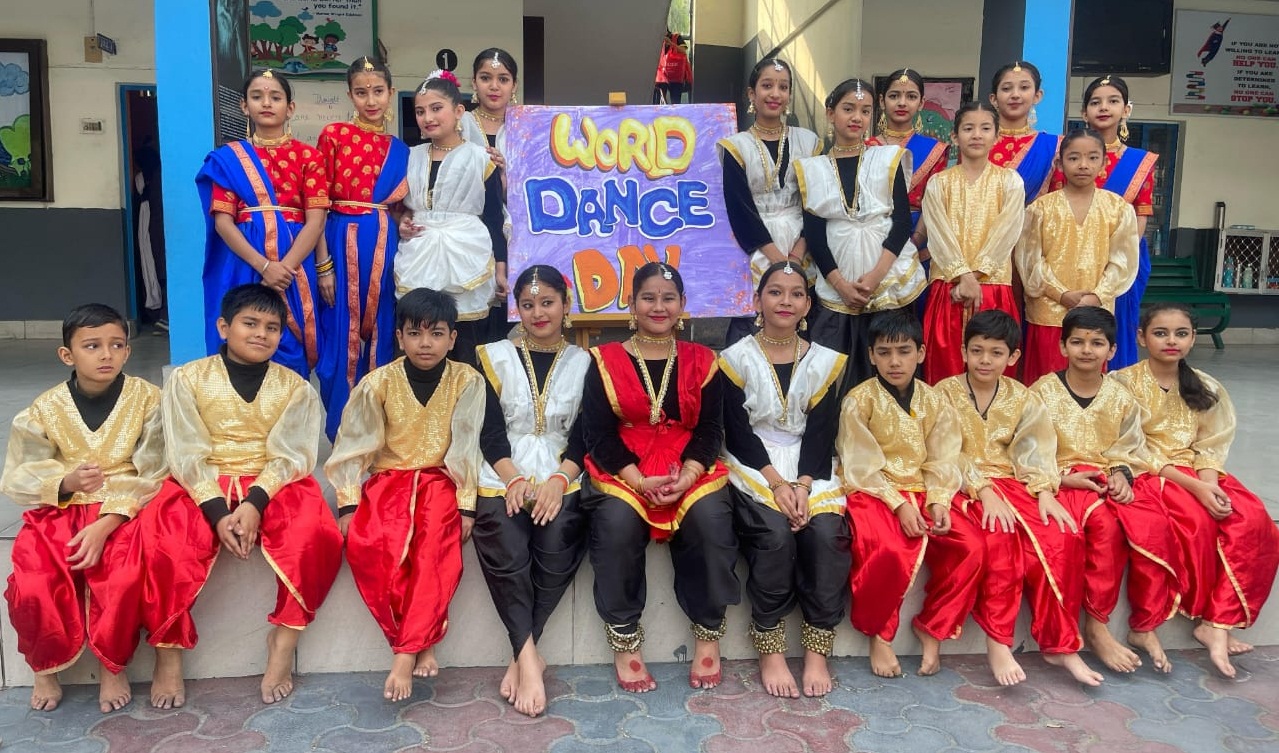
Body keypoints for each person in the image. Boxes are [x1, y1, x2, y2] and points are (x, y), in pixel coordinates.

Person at [138, 284, 343, 709]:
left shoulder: (296, 387)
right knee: (166, 541)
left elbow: (291, 455)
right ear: (223, 327)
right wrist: (217, 512)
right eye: (250, 323)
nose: (261, 334)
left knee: (315, 535)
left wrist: (254, 503)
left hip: (271, 482)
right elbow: (184, 451)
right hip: (200, 480)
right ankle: (168, 652)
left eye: (272, 327)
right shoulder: (187, 380)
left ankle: (284, 640)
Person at [579, 262, 736, 693]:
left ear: (683, 304)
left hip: (688, 464)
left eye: (668, 298)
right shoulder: (606, 360)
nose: (658, 306)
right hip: (624, 467)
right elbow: (597, 432)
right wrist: (635, 479)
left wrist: (689, 473)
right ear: (631, 303)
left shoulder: (703, 360)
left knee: (711, 520)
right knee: (615, 524)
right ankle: (625, 639)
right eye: (648, 297)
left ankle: (708, 633)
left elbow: (711, 429)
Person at [2, 304, 166, 713]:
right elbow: (18, 473)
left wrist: (107, 522)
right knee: (34, 579)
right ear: (67, 354)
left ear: (128, 351)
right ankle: (44, 666)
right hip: (63, 508)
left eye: (116, 345)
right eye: (92, 346)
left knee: (122, 576)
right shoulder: (45, 408)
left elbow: (156, 466)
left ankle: (112, 664)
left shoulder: (149, 399)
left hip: (123, 506)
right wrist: (65, 482)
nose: (106, 355)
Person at [325, 288, 486, 703]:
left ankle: (404, 654)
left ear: (452, 337)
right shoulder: (377, 383)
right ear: (399, 337)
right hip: (388, 480)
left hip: (441, 480)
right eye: (415, 333)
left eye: (436, 334)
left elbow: (466, 446)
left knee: (435, 545)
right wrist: (348, 501)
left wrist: (466, 504)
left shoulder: (467, 381)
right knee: (375, 546)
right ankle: (422, 639)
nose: (425, 343)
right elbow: (354, 445)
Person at [935, 310, 1102, 687]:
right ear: (963, 351)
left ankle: (1061, 645)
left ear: (1013, 357)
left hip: (1013, 483)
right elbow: (944, 450)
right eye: (977, 351)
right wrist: (984, 490)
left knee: (1063, 536)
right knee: (999, 538)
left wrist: (1044, 492)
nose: (985, 360)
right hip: (962, 485)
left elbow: (1035, 450)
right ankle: (998, 643)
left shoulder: (1022, 397)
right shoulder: (942, 393)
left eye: (996, 353)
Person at [1116, 303, 1279, 678]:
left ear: (1192, 339)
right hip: (1151, 474)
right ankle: (1202, 618)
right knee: (1196, 520)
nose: (1171, 341)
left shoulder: (1206, 386)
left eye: (1181, 333)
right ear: (1141, 337)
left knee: (1253, 519)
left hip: (1201, 473)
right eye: (1160, 333)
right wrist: (1195, 488)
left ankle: (1217, 622)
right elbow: (1132, 448)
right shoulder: (1122, 384)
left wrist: (1209, 485)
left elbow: (1211, 444)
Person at [720, 261, 848, 698]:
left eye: (796, 294)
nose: (785, 301)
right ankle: (770, 647)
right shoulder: (734, 359)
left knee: (826, 534)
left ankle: (816, 650)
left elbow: (821, 430)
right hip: (754, 463)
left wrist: (804, 485)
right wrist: (777, 484)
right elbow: (737, 431)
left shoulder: (823, 360)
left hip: (809, 466)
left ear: (808, 305)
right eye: (775, 292)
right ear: (758, 301)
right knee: (774, 534)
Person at [1029, 306, 1178, 676]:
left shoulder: (1121, 396)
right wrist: (1061, 478)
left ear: (1112, 350)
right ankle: (1095, 627)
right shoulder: (1041, 392)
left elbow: (1129, 446)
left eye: (1097, 343)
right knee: (1099, 530)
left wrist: (1121, 474)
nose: (1086, 350)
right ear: (1062, 346)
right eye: (1077, 342)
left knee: (1153, 524)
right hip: (1058, 481)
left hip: (1103, 480)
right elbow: (1027, 448)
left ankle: (1144, 623)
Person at [837, 310, 984, 679]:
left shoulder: (935, 401)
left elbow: (943, 456)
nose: (894, 362)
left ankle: (933, 626)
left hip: (924, 488)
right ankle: (879, 633)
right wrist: (899, 504)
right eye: (884, 353)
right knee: (888, 548)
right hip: (874, 490)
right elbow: (859, 464)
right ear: (871, 356)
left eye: (904, 351)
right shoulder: (859, 400)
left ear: (921, 353)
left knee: (971, 546)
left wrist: (939, 500)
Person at [473, 266, 591, 717]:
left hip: (565, 472)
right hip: (501, 471)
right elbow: (488, 433)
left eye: (547, 303)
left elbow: (586, 434)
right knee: (503, 539)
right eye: (528, 304)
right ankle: (528, 659)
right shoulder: (493, 357)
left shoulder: (587, 362)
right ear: (516, 308)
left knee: (560, 536)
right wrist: (514, 479)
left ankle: (522, 654)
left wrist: (559, 480)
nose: (538, 313)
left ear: (565, 305)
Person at [196, 69, 328, 378]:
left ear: (290, 108)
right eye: (257, 97)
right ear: (245, 106)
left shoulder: (309, 157)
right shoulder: (228, 160)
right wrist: (265, 266)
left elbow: (317, 220)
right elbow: (223, 223)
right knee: (245, 332)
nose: (266, 103)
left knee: (291, 339)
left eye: (275, 97)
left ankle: (290, 402)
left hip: (295, 264)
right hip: (244, 262)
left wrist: (285, 268)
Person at [797, 78, 926, 392]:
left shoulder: (887, 159)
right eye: (848, 109)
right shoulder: (812, 169)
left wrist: (875, 277)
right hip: (835, 284)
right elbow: (814, 233)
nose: (857, 117)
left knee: (890, 367)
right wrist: (840, 284)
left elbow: (901, 223)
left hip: (886, 281)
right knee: (833, 380)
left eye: (865, 111)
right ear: (830, 113)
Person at [314, 56, 410, 440]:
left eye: (378, 91)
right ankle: (342, 428)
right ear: (350, 94)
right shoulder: (333, 135)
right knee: (340, 333)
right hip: (341, 239)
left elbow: (401, 207)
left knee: (382, 330)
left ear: (390, 92)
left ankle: (374, 428)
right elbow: (317, 204)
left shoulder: (399, 149)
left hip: (385, 242)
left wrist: (406, 223)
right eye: (361, 92)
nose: (371, 100)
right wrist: (323, 264)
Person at [395, 70, 508, 365]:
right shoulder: (410, 156)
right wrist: (403, 220)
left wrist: (501, 268)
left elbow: (493, 217)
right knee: (419, 328)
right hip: (420, 251)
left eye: (436, 108)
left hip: (466, 250)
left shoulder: (482, 158)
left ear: (458, 111)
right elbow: (403, 205)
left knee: (465, 340)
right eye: (420, 111)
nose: (428, 117)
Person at [1048, 75, 1158, 370]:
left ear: (1126, 109)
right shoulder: (1065, 156)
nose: (1104, 107)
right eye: (1095, 102)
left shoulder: (1140, 162)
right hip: (1068, 256)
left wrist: (1112, 264)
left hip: (1120, 260)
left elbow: (1140, 216)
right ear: (1084, 112)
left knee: (1112, 328)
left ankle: (1113, 388)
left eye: (1113, 101)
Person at [1016, 130, 1139, 385]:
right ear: (1059, 164)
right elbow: (1029, 262)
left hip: (1096, 312)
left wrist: (1097, 296)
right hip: (1048, 315)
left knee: (1088, 384)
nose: (1083, 165)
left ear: (1104, 163)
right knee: (1046, 384)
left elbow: (1123, 262)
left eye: (1092, 158)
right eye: (1074, 158)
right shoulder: (1040, 209)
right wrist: (1061, 294)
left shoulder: (1118, 209)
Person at [717, 58, 821, 345]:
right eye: (767, 86)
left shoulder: (809, 142)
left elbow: (816, 202)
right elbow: (739, 208)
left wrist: (797, 255)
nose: (775, 94)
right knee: (753, 323)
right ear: (752, 94)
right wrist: (776, 258)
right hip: (754, 246)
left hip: (802, 243)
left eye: (783, 87)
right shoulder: (736, 146)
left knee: (800, 320)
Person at [920, 102, 1025, 384]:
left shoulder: (1010, 181)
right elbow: (938, 234)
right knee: (945, 373)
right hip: (949, 288)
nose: (976, 135)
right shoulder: (938, 183)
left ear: (997, 136)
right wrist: (962, 276)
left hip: (993, 289)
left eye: (985, 128)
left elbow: (1006, 234)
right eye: (968, 128)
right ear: (955, 136)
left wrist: (973, 277)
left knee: (992, 371)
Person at [462, 47, 519, 343]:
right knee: (471, 324)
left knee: (507, 323)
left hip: (516, 234)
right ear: (474, 82)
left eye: (503, 79)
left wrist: (505, 176)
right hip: (471, 231)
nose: (494, 86)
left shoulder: (528, 127)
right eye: (486, 78)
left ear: (514, 86)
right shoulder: (459, 124)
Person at [868, 68, 949, 252]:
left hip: (917, 239)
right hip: (871, 237)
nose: (902, 103)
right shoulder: (865, 148)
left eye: (911, 97)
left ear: (921, 103)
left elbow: (933, 203)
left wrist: (915, 241)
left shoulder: (935, 150)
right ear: (882, 101)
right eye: (894, 96)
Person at [985, 61, 1060, 205]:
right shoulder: (978, 141)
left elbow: (1059, 201)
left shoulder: (1053, 147)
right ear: (994, 99)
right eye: (1006, 88)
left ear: (1037, 96)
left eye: (1024, 88)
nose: (1015, 95)